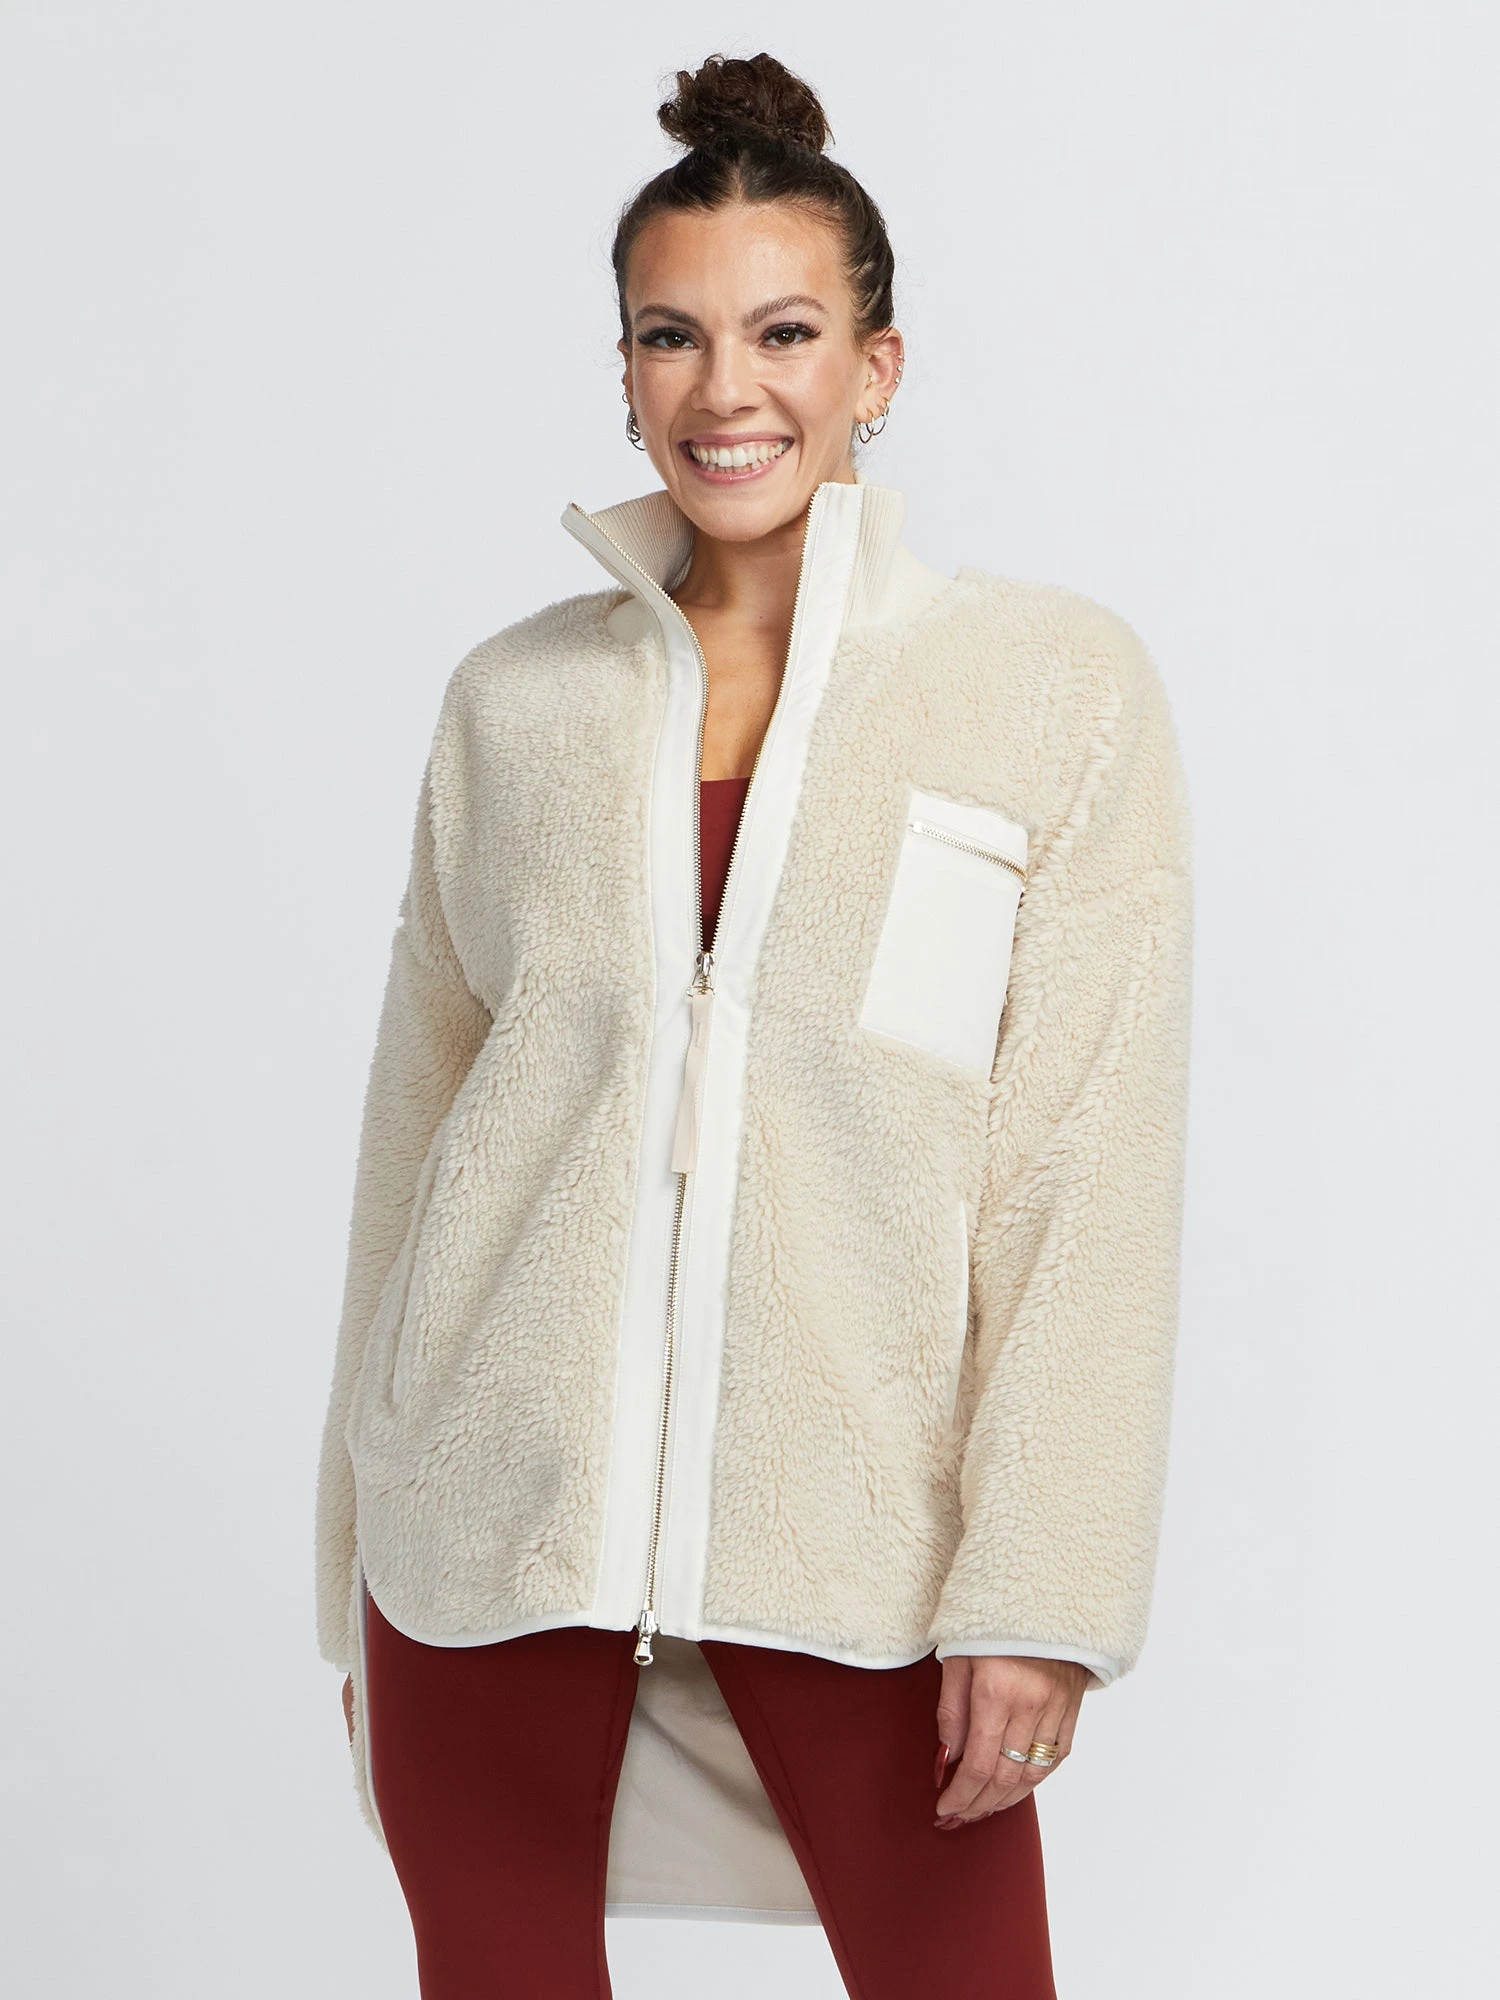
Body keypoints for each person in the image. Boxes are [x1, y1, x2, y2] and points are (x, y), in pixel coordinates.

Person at [314, 48, 1193, 2000]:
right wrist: (349, 1559)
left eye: (785, 333)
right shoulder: (513, 706)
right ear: (626, 372)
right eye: (673, 336)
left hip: (859, 1536)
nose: (729, 390)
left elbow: (1085, 1177)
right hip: (491, 1529)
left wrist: (1040, 1588)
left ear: (877, 366)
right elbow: (414, 1143)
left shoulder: (1047, 692)